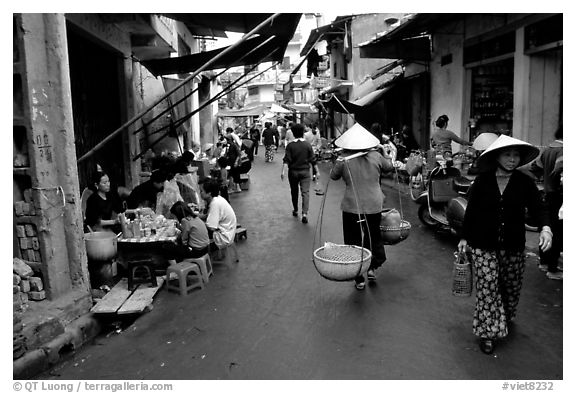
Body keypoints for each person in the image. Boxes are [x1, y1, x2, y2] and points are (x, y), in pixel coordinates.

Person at [457, 135, 552, 355]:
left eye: (516, 155)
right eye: (507, 154)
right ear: (497, 156)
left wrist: (546, 227)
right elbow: (471, 211)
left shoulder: (525, 182)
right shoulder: (482, 180)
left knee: (510, 288)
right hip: (483, 244)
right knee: (488, 287)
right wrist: (464, 237)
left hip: (513, 246)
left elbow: (540, 208)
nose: (512, 159)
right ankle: (487, 332)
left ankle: (505, 317)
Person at [330, 123, 394, 290]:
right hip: (373, 204)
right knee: (372, 236)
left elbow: (334, 176)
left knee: (353, 241)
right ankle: (372, 268)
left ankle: (358, 276)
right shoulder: (376, 156)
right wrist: (386, 153)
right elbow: (389, 168)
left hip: (352, 205)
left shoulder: (344, 159)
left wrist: (337, 160)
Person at [529, 126, 563, 280]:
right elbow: (560, 172)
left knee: (547, 228)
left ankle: (543, 263)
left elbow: (534, 168)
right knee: (557, 232)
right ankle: (553, 268)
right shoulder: (563, 151)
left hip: (547, 194)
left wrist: (544, 179)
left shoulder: (548, 149)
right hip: (559, 196)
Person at [281, 123, 319, 224]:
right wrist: (317, 171)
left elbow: (286, 160)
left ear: (293, 133)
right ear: (303, 132)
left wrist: (283, 171)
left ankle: (296, 209)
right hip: (305, 172)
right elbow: (313, 159)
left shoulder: (290, 146)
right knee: (305, 193)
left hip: (293, 172)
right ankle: (305, 213)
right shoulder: (307, 145)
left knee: (294, 191)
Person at [199, 177, 237, 250]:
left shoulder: (215, 204)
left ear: (209, 192)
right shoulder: (217, 198)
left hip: (223, 238)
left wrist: (195, 222)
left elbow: (211, 227)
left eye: (201, 191)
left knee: (196, 234)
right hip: (228, 232)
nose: (200, 193)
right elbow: (208, 216)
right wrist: (197, 216)